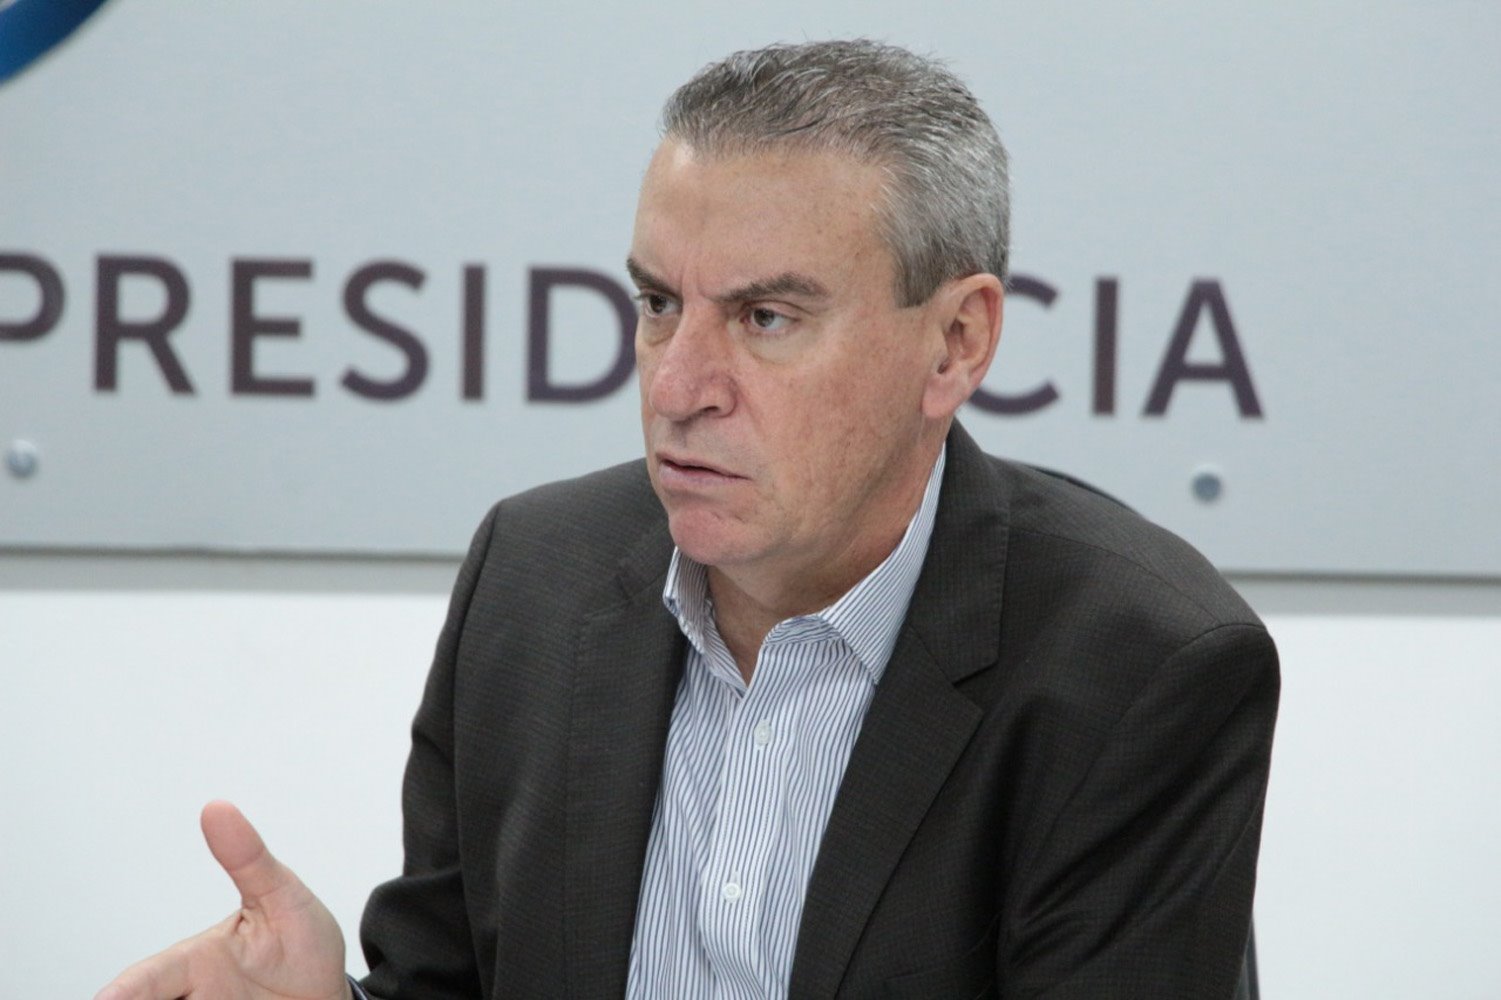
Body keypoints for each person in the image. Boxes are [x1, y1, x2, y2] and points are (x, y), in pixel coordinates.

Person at [98, 39, 1279, 1000]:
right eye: (658, 302)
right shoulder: (534, 577)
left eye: (766, 318)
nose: (675, 384)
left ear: (955, 342)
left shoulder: (1138, 668)